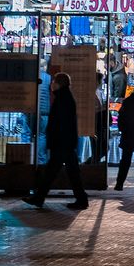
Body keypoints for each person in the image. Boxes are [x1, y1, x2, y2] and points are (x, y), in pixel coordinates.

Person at [27, 72, 88, 210]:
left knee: (53, 172)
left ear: (59, 83)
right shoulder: (64, 97)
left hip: (62, 143)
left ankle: (39, 197)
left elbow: (60, 124)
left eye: (54, 81)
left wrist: (54, 140)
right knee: (69, 172)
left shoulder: (62, 99)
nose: (51, 84)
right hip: (65, 143)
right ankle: (80, 199)